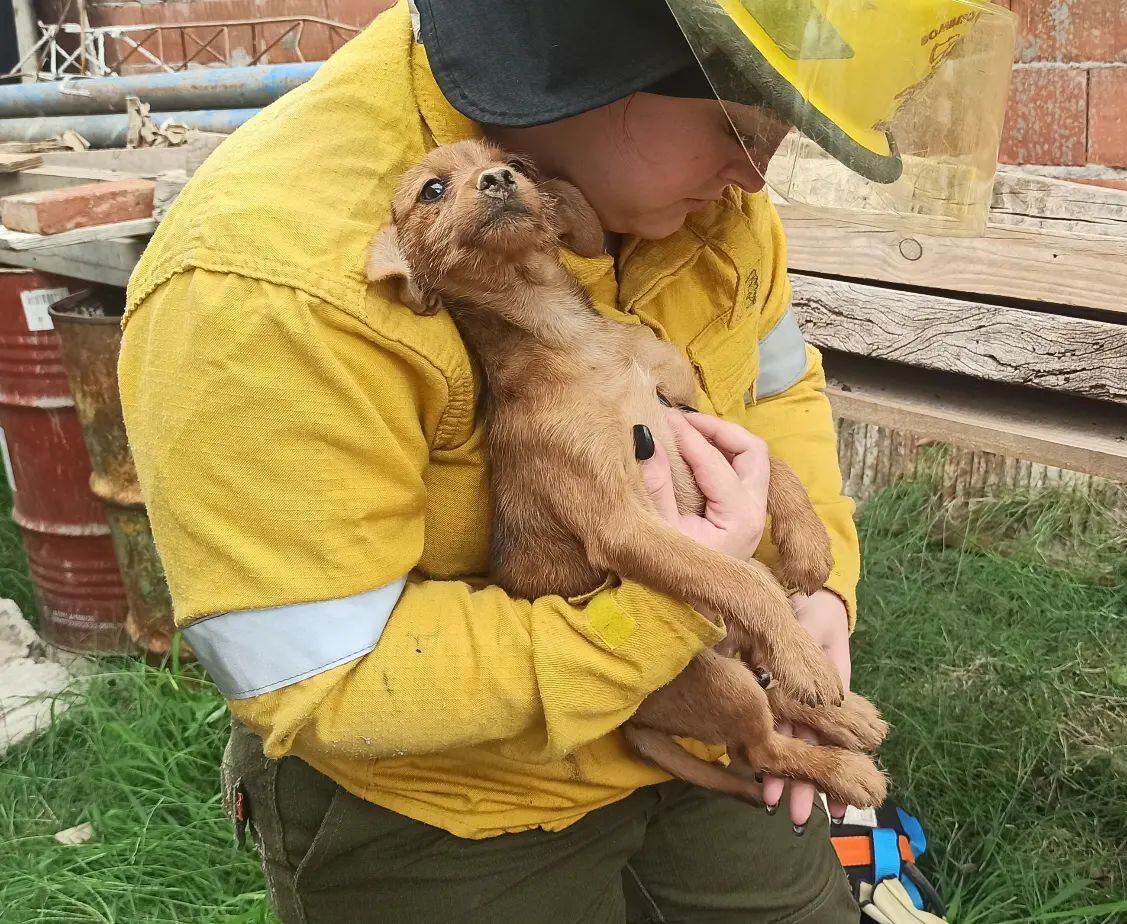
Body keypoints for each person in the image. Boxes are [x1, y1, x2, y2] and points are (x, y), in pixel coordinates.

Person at [117, 1, 1013, 921]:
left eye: (777, 134)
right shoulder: (260, 286)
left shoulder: (701, 186)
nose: (754, 176)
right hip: (448, 809)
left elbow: (775, 386)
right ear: (580, 67)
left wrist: (816, 593)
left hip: (706, 734)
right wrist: (664, 627)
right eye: (738, 129)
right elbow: (327, 678)